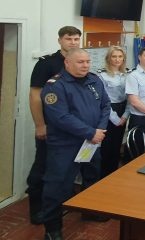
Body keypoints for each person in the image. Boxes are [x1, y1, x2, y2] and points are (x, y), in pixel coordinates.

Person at [41, 48, 110, 240]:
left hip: (91, 142)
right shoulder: (55, 86)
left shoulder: (94, 80)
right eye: (80, 62)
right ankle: (52, 229)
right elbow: (60, 117)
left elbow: (106, 105)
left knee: (92, 178)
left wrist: (100, 130)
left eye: (87, 61)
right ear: (67, 63)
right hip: (65, 145)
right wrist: (91, 132)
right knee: (57, 186)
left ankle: (89, 211)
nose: (85, 65)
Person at [26, 25, 81, 225]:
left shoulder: (79, 62)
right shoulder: (47, 63)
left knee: (65, 168)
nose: (73, 42)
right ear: (60, 40)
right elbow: (35, 96)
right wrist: (40, 125)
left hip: (72, 127)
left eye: (76, 39)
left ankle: (59, 203)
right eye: (68, 39)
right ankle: (36, 209)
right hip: (51, 127)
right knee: (42, 168)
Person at [97, 46, 129, 178]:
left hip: (123, 110)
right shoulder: (101, 75)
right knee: (106, 147)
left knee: (117, 146)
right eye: (114, 56)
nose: (117, 59)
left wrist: (125, 116)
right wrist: (115, 119)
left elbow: (130, 98)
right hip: (108, 112)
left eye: (120, 57)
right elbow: (103, 100)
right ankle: (103, 177)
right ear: (108, 58)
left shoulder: (127, 74)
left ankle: (113, 175)